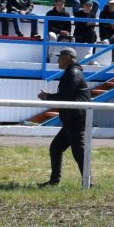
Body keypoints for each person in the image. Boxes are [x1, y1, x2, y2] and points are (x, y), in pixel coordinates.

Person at [40, 48, 91, 186]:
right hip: (72, 119)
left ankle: (88, 183)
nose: (58, 60)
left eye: (60, 57)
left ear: (68, 57)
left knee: (78, 152)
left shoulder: (73, 73)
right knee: (56, 148)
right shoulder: (71, 72)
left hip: (75, 119)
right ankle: (54, 181)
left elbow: (66, 96)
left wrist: (47, 97)